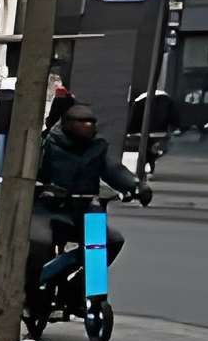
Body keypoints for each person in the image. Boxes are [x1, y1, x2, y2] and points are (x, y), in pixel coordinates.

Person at [26, 100, 149, 307]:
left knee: (111, 241)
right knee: (40, 246)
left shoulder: (97, 147)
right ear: (67, 124)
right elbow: (31, 174)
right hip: (47, 211)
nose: (87, 127)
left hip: (84, 212)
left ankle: (78, 288)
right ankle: (30, 295)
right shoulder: (48, 144)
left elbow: (113, 170)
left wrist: (136, 187)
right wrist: (42, 189)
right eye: (81, 123)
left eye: (90, 123)